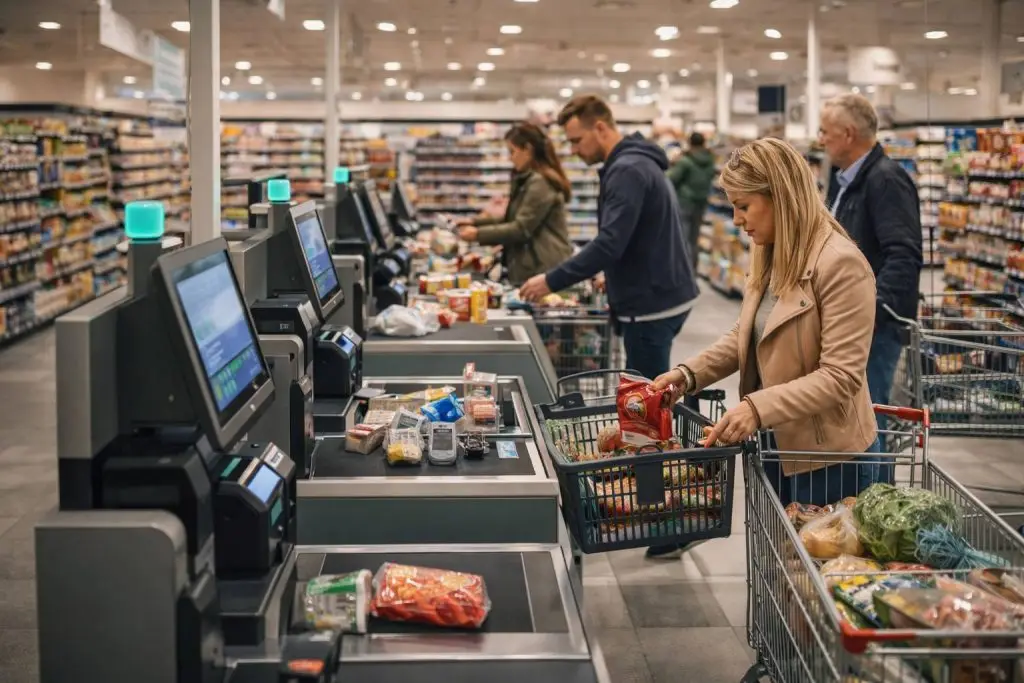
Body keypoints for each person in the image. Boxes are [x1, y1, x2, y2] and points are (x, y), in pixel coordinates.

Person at [652, 137, 881, 509]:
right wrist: (689, 374)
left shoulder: (841, 265)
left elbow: (842, 376)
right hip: (777, 445)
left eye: (743, 206)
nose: (736, 219)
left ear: (781, 197)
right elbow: (750, 333)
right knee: (778, 563)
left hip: (830, 459)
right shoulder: (771, 253)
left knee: (816, 565)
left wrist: (756, 408)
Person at [519, 95, 699, 384]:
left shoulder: (627, 170)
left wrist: (551, 280)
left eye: (576, 140)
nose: (574, 150)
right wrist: (615, 273)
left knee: (643, 403)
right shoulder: (636, 163)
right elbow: (636, 234)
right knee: (648, 390)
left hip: (650, 303)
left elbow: (610, 242)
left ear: (600, 128)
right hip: (662, 291)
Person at [819, 94, 922, 469]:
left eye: (825, 132)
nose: (820, 140)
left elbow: (903, 256)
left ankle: (871, 507)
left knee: (869, 420)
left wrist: (870, 311)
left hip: (875, 327)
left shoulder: (885, 180)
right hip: (855, 322)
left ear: (847, 134)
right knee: (857, 417)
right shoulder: (847, 180)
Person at [456, 122, 573, 286]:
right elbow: (511, 219)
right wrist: (474, 223)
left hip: (541, 268)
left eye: (512, 151)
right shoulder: (527, 180)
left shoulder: (540, 182)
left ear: (528, 149)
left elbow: (521, 228)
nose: (510, 158)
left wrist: (477, 234)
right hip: (533, 265)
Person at [667, 132, 717, 268]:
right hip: (701, 203)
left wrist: (672, 163)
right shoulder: (710, 160)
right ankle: (693, 272)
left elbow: (670, 178)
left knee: (683, 239)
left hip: (684, 203)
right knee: (694, 240)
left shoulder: (685, 161)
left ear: (690, 143)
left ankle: (684, 274)